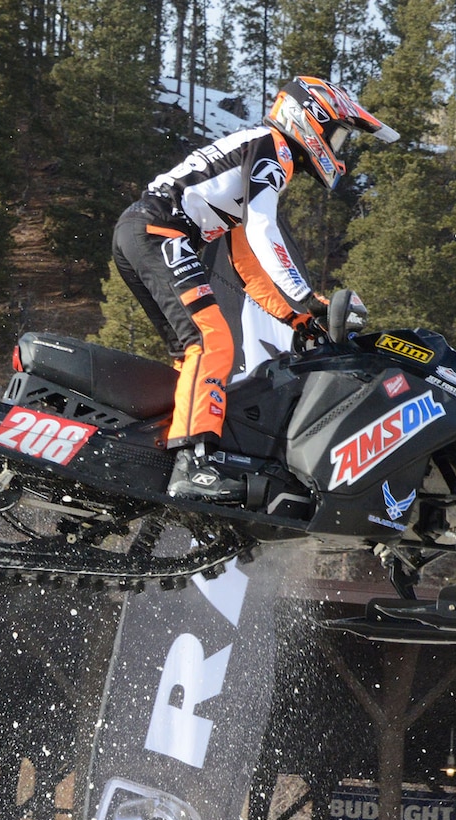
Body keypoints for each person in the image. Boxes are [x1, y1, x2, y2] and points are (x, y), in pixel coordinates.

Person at [113, 76, 398, 502]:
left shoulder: (253, 150)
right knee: (212, 340)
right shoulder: (272, 147)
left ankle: (164, 449)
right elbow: (265, 230)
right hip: (158, 231)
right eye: (337, 136)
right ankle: (194, 463)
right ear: (312, 120)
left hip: (145, 232)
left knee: (189, 350)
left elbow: (247, 262)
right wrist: (301, 295)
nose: (338, 152)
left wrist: (297, 317)